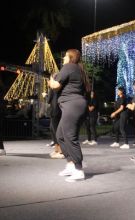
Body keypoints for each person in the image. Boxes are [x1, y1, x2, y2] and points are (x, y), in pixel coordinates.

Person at [49, 49, 90, 182]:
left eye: (65, 56)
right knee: (60, 135)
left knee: (70, 136)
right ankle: (71, 164)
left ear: (70, 57)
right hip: (74, 105)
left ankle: (79, 169)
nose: (63, 59)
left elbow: (55, 86)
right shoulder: (77, 69)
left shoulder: (69, 67)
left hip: (72, 105)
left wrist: (50, 80)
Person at [47, 72, 64, 159]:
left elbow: (48, 100)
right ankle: (57, 150)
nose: (49, 81)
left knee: (56, 131)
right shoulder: (60, 87)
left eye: (50, 78)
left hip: (55, 111)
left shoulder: (53, 87)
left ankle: (61, 152)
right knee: (53, 130)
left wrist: (49, 87)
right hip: (59, 110)